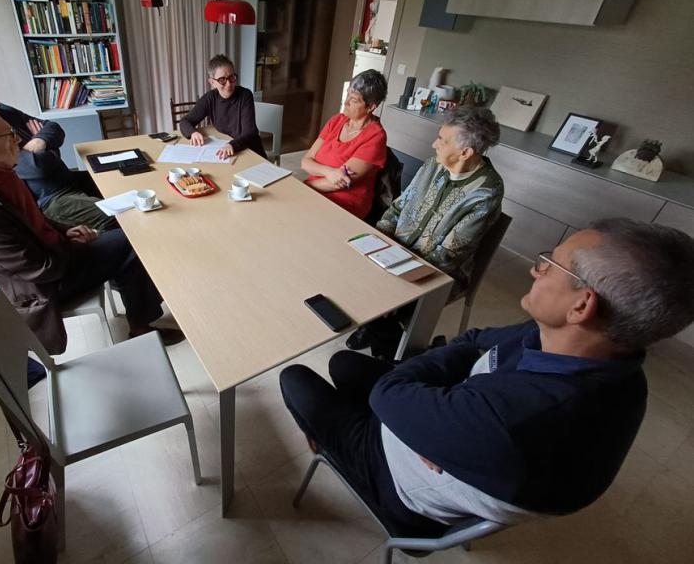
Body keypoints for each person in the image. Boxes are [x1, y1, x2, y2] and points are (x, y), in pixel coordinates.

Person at [280, 219, 694, 539]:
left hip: (398, 486)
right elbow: (474, 339)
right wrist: (442, 418)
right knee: (344, 365)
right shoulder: (593, 352)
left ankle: (324, 440)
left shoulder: (517, 421)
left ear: (582, 305)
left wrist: (435, 422)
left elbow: (390, 393)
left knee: (294, 376)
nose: (536, 271)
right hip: (448, 428)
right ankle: (381, 423)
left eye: (549, 264)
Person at [0, 101, 183, 353]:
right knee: (131, 240)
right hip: (42, 287)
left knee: (120, 237)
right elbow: (43, 270)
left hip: (46, 256)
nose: (19, 142)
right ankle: (141, 327)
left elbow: (32, 218)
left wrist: (64, 230)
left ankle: (133, 297)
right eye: (9, 135)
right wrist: (73, 244)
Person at [348, 106, 504, 357]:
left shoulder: (485, 193)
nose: (434, 144)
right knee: (351, 263)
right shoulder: (433, 165)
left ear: (465, 152)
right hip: (397, 251)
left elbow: (448, 256)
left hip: (439, 271)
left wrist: (396, 280)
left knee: (392, 299)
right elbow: (397, 209)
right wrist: (375, 242)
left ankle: (389, 352)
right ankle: (373, 323)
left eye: (442, 140)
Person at [0, 52, 118, 232]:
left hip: (65, 180)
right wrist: (48, 148)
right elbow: (37, 168)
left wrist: (38, 143)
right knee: (127, 214)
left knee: (123, 180)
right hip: (52, 201)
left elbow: (53, 127)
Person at [301, 70, 388, 219]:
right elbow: (305, 162)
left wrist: (305, 186)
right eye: (347, 94)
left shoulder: (376, 137)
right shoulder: (336, 121)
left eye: (353, 100)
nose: (346, 102)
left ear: (371, 107)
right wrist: (329, 172)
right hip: (314, 192)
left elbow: (338, 183)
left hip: (343, 203)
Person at [179, 54, 267, 160]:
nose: (229, 84)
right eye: (222, 80)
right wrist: (193, 133)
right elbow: (185, 121)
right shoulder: (210, 98)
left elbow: (250, 133)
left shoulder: (245, 95)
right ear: (212, 82)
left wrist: (232, 145)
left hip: (251, 151)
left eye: (232, 77)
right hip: (229, 153)